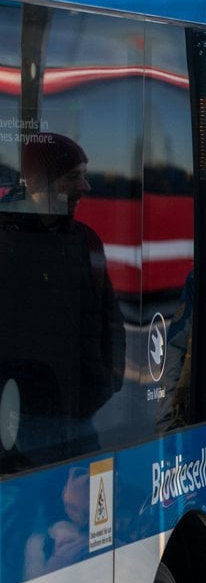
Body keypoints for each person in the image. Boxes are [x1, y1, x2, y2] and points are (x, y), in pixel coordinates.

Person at [0, 131, 125, 467]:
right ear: (42, 181)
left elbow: (108, 319)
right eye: (73, 176)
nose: (85, 187)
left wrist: (105, 383)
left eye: (84, 175)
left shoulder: (86, 242)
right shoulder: (7, 242)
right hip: (22, 423)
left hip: (81, 421)